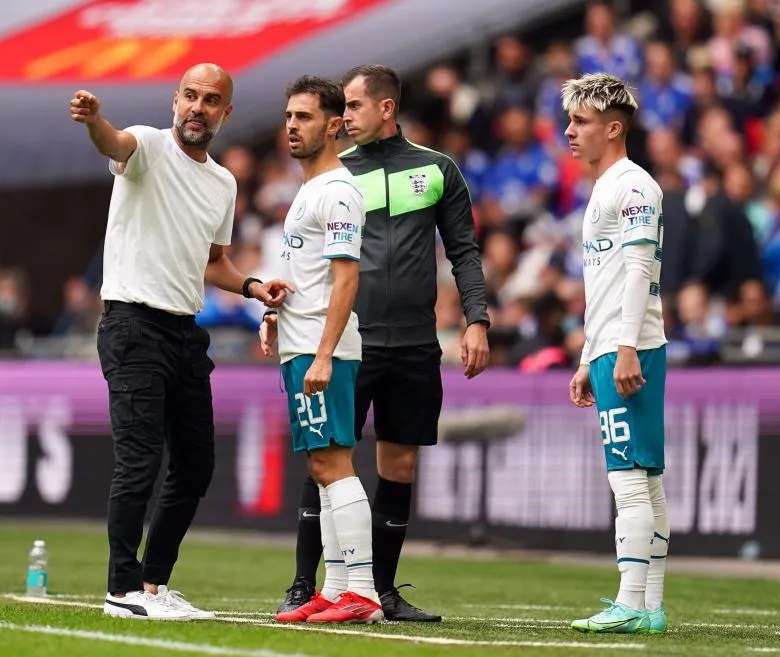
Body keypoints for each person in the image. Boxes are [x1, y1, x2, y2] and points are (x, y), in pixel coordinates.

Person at [70, 63, 292, 621]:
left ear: (226, 113)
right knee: (140, 459)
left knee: (195, 466)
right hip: (131, 324)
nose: (198, 106)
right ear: (175, 100)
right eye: (190, 96)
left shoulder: (223, 181)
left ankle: (151, 585)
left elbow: (213, 263)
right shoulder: (144, 146)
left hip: (183, 333)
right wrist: (95, 120)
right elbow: (113, 141)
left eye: (211, 99)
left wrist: (251, 286)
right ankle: (121, 589)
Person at [276, 65, 491, 622]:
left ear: (387, 108)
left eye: (353, 106)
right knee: (325, 460)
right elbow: (307, 255)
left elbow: (464, 250)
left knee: (398, 467)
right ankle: (304, 585)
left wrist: (476, 319)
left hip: (416, 342)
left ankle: (382, 590)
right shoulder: (333, 174)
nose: (343, 118)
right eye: (340, 108)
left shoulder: (437, 168)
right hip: (351, 337)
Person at [259, 75, 383, 624]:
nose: (291, 125)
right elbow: (307, 275)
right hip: (301, 339)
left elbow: (346, 278)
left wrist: (326, 352)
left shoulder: (337, 190)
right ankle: (336, 589)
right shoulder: (308, 190)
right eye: (289, 115)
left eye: (304, 117)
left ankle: (363, 592)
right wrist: (274, 310)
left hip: (320, 346)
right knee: (320, 464)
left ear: (333, 125)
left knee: (334, 463)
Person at [562, 72, 670, 634]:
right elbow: (602, 284)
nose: (569, 131)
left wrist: (623, 347)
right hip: (611, 346)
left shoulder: (633, 186)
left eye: (580, 122)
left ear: (613, 127)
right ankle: (649, 606)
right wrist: (587, 355)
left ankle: (631, 601)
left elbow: (637, 271)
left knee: (628, 477)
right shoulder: (607, 187)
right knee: (645, 478)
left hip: (629, 346)